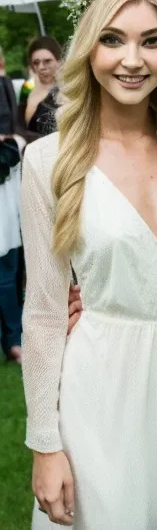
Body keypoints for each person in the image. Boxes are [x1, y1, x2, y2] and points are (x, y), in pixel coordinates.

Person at [21, 0, 157, 529]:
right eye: (113, 39)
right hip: (97, 390)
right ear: (89, 48)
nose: (133, 60)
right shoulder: (50, 160)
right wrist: (45, 443)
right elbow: (42, 311)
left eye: (152, 41)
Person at [0, 46, 25, 363]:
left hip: (5, 186)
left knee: (7, 266)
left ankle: (14, 337)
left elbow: (11, 130)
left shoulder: (6, 84)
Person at [18, 36, 61, 141]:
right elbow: (19, 125)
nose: (41, 67)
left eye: (47, 61)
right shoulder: (27, 89)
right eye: (36, 63)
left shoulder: (68, 90)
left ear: (59, 61)